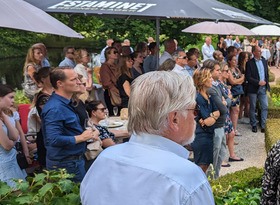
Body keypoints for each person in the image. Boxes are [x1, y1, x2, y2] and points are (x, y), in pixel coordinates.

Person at [80, 71, 215, 205]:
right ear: (174, 119)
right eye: (194, 111)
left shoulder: (105, 158)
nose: (195, 117)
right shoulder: (187, 176)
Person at [41, 67, 99, 182]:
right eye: (73, 80)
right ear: (60, 83)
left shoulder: (68, 102)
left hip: (75, 160)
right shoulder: (55, 108)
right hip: (65, 164)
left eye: (77, 78)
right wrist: (81, 138)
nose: (78, 82)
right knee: (73, 198)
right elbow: (52, 139)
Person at [191, 68, 220, 173]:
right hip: (201, 137)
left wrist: (212, 116)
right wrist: (213, 116)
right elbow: (207, 122)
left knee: (206, 165)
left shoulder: (209, 97)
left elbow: (218, 112)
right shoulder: (199, 98)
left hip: (208, 135)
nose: (212, 79)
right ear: (203, 80)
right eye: (210, 77)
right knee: (201, 166)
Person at [203, 60, 228, 179]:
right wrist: (224, 101)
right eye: (217, 70)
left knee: (221, 154)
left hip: (221, 126)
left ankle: (215, 180)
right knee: (213, 156)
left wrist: (225, 101)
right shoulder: (210, 88)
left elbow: (228, 99)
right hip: (215, 127)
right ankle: (210, 182)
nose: (220, 72)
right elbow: (222, 108)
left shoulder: (217, 84)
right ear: (210, 71)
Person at [0, 84, 27, 187]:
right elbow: (7, 145)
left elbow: (15, 136)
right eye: (10, 97)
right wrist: (11, 142)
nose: (13, 101)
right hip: (4, 165)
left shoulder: (4, 114)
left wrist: (3, 115)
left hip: (12, 162)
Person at [219, 62, 243, 165]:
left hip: (226, 113)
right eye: (226, 70)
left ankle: (232, 155)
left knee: (231, 133)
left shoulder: (223, 83)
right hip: (221, 113)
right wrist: (229, 97)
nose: (229, 73)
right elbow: (225, 100)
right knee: (223, 136)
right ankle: (221, 159)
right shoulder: (218, 84)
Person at [245, 46, 270, 133]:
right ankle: (254, 125)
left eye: (261, 51)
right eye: (259, 51)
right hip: (253, 88)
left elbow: (266, 73)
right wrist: (258, 82)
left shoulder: (264, 61)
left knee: (265, 106)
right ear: (254, 52)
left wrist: (266, 82)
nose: (261, 53)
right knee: (253, 107)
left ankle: (263, 125)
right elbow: (248, 77)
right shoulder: (249, 63)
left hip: (263, 88)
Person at [33, 67, 53, 167]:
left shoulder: (54, 93)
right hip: (47, 133)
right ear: (43, 79)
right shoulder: (43, 98)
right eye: (51, 76)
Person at [99, 47, 121, 116]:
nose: (116, 54)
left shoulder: (116, 65)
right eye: (114, 52)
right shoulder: (105, 66)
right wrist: (116, 91)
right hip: (111, 93)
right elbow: (106, 82)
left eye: (117, 52)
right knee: (114, 113)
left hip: (118, 91)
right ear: (108, 55)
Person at [227, 54, 245, 136]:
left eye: (236, 59)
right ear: (229, 61)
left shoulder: (237, 69)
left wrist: (237, 80)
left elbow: (242, 79)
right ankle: (231, 130)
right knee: (233, 110)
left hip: (238, 92)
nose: (235, 61)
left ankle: (234, 128)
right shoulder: (229, 70)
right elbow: (232, 81)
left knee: (236, 110)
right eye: (233, 60)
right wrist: (239, 80)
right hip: (232, 92)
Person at [238, 52, 250, 119]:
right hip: (242, 85)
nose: (247, 58)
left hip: (246, 85)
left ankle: (245, 113)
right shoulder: (240, 67)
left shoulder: (247, 64)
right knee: (242, 101)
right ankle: (240, 115)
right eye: (246, 57)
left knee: (246, 100)